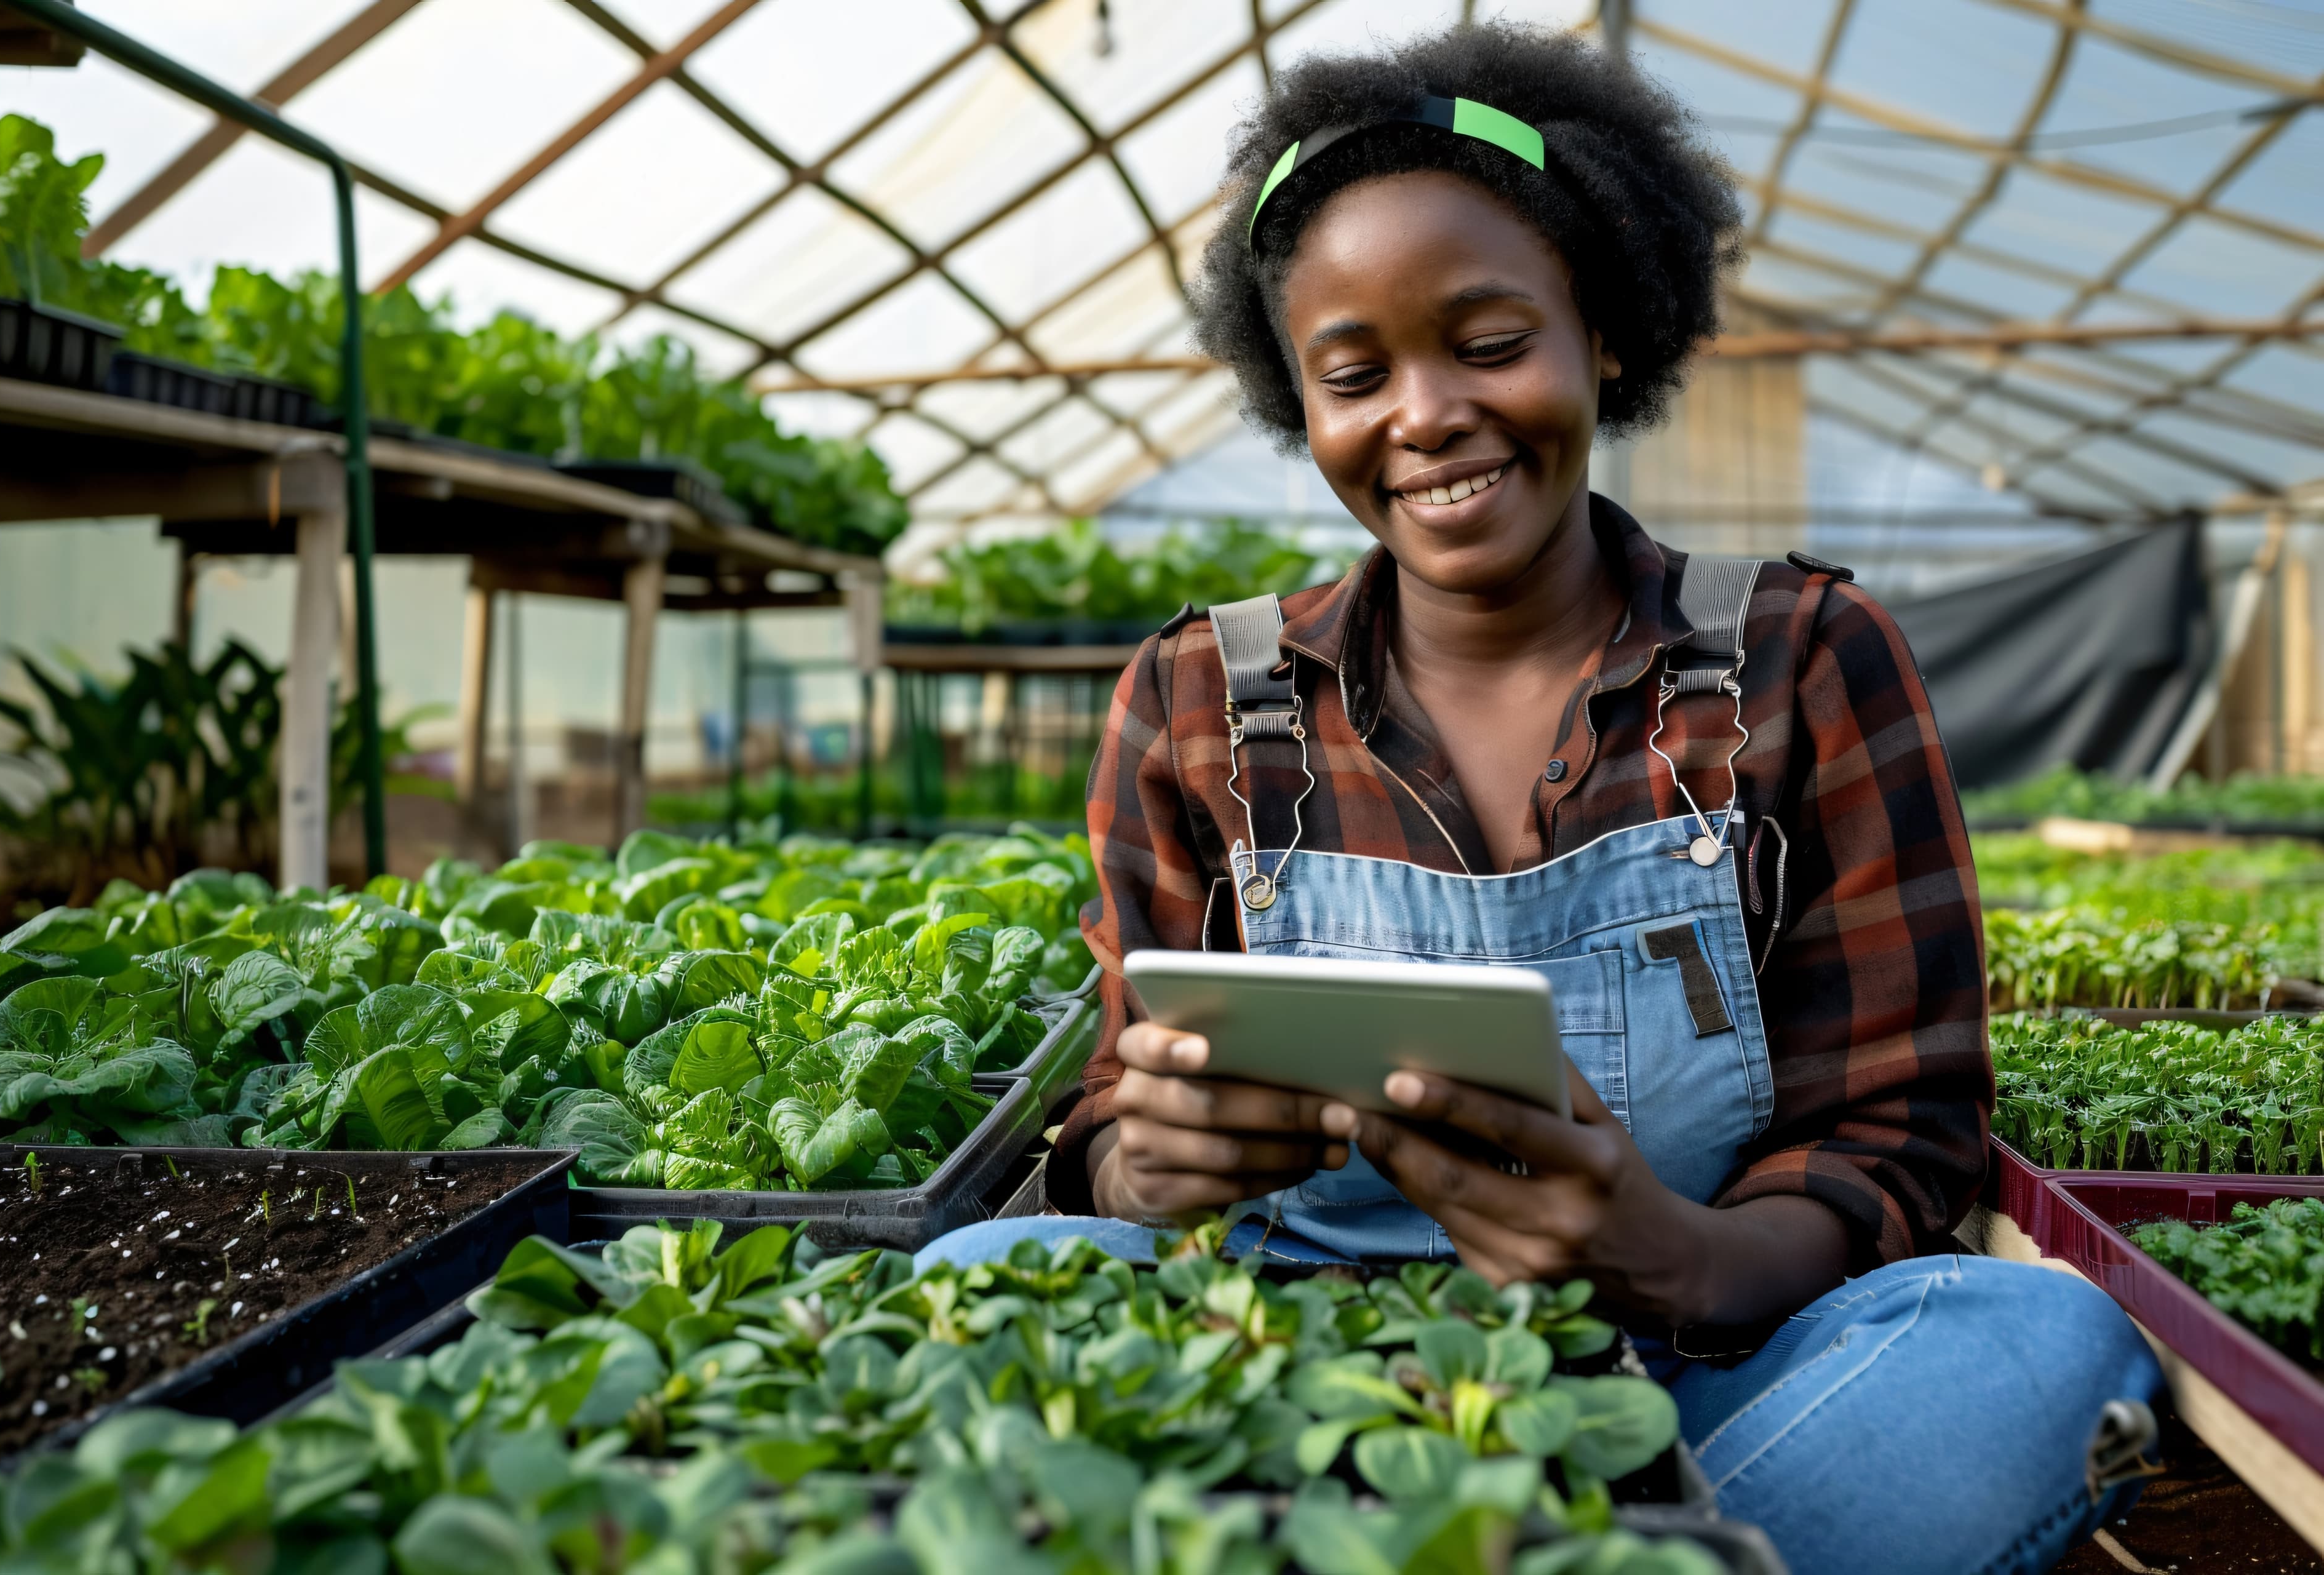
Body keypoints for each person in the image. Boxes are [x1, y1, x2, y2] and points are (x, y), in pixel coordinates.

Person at [920, 22, 2160, 1574]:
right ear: (1295, 401)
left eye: (1490, 342)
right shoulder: (1196, 699)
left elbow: (1899, 1137)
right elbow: (1110, 1107)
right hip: (1267, 1370)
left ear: (1607, 337)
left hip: (1697, 1382)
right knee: (975, 1268)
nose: (1425, 413)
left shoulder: (1802, 657)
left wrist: (1678, 1252)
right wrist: (1138, 1160)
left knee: (2038, 1341)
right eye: (1354, 373)